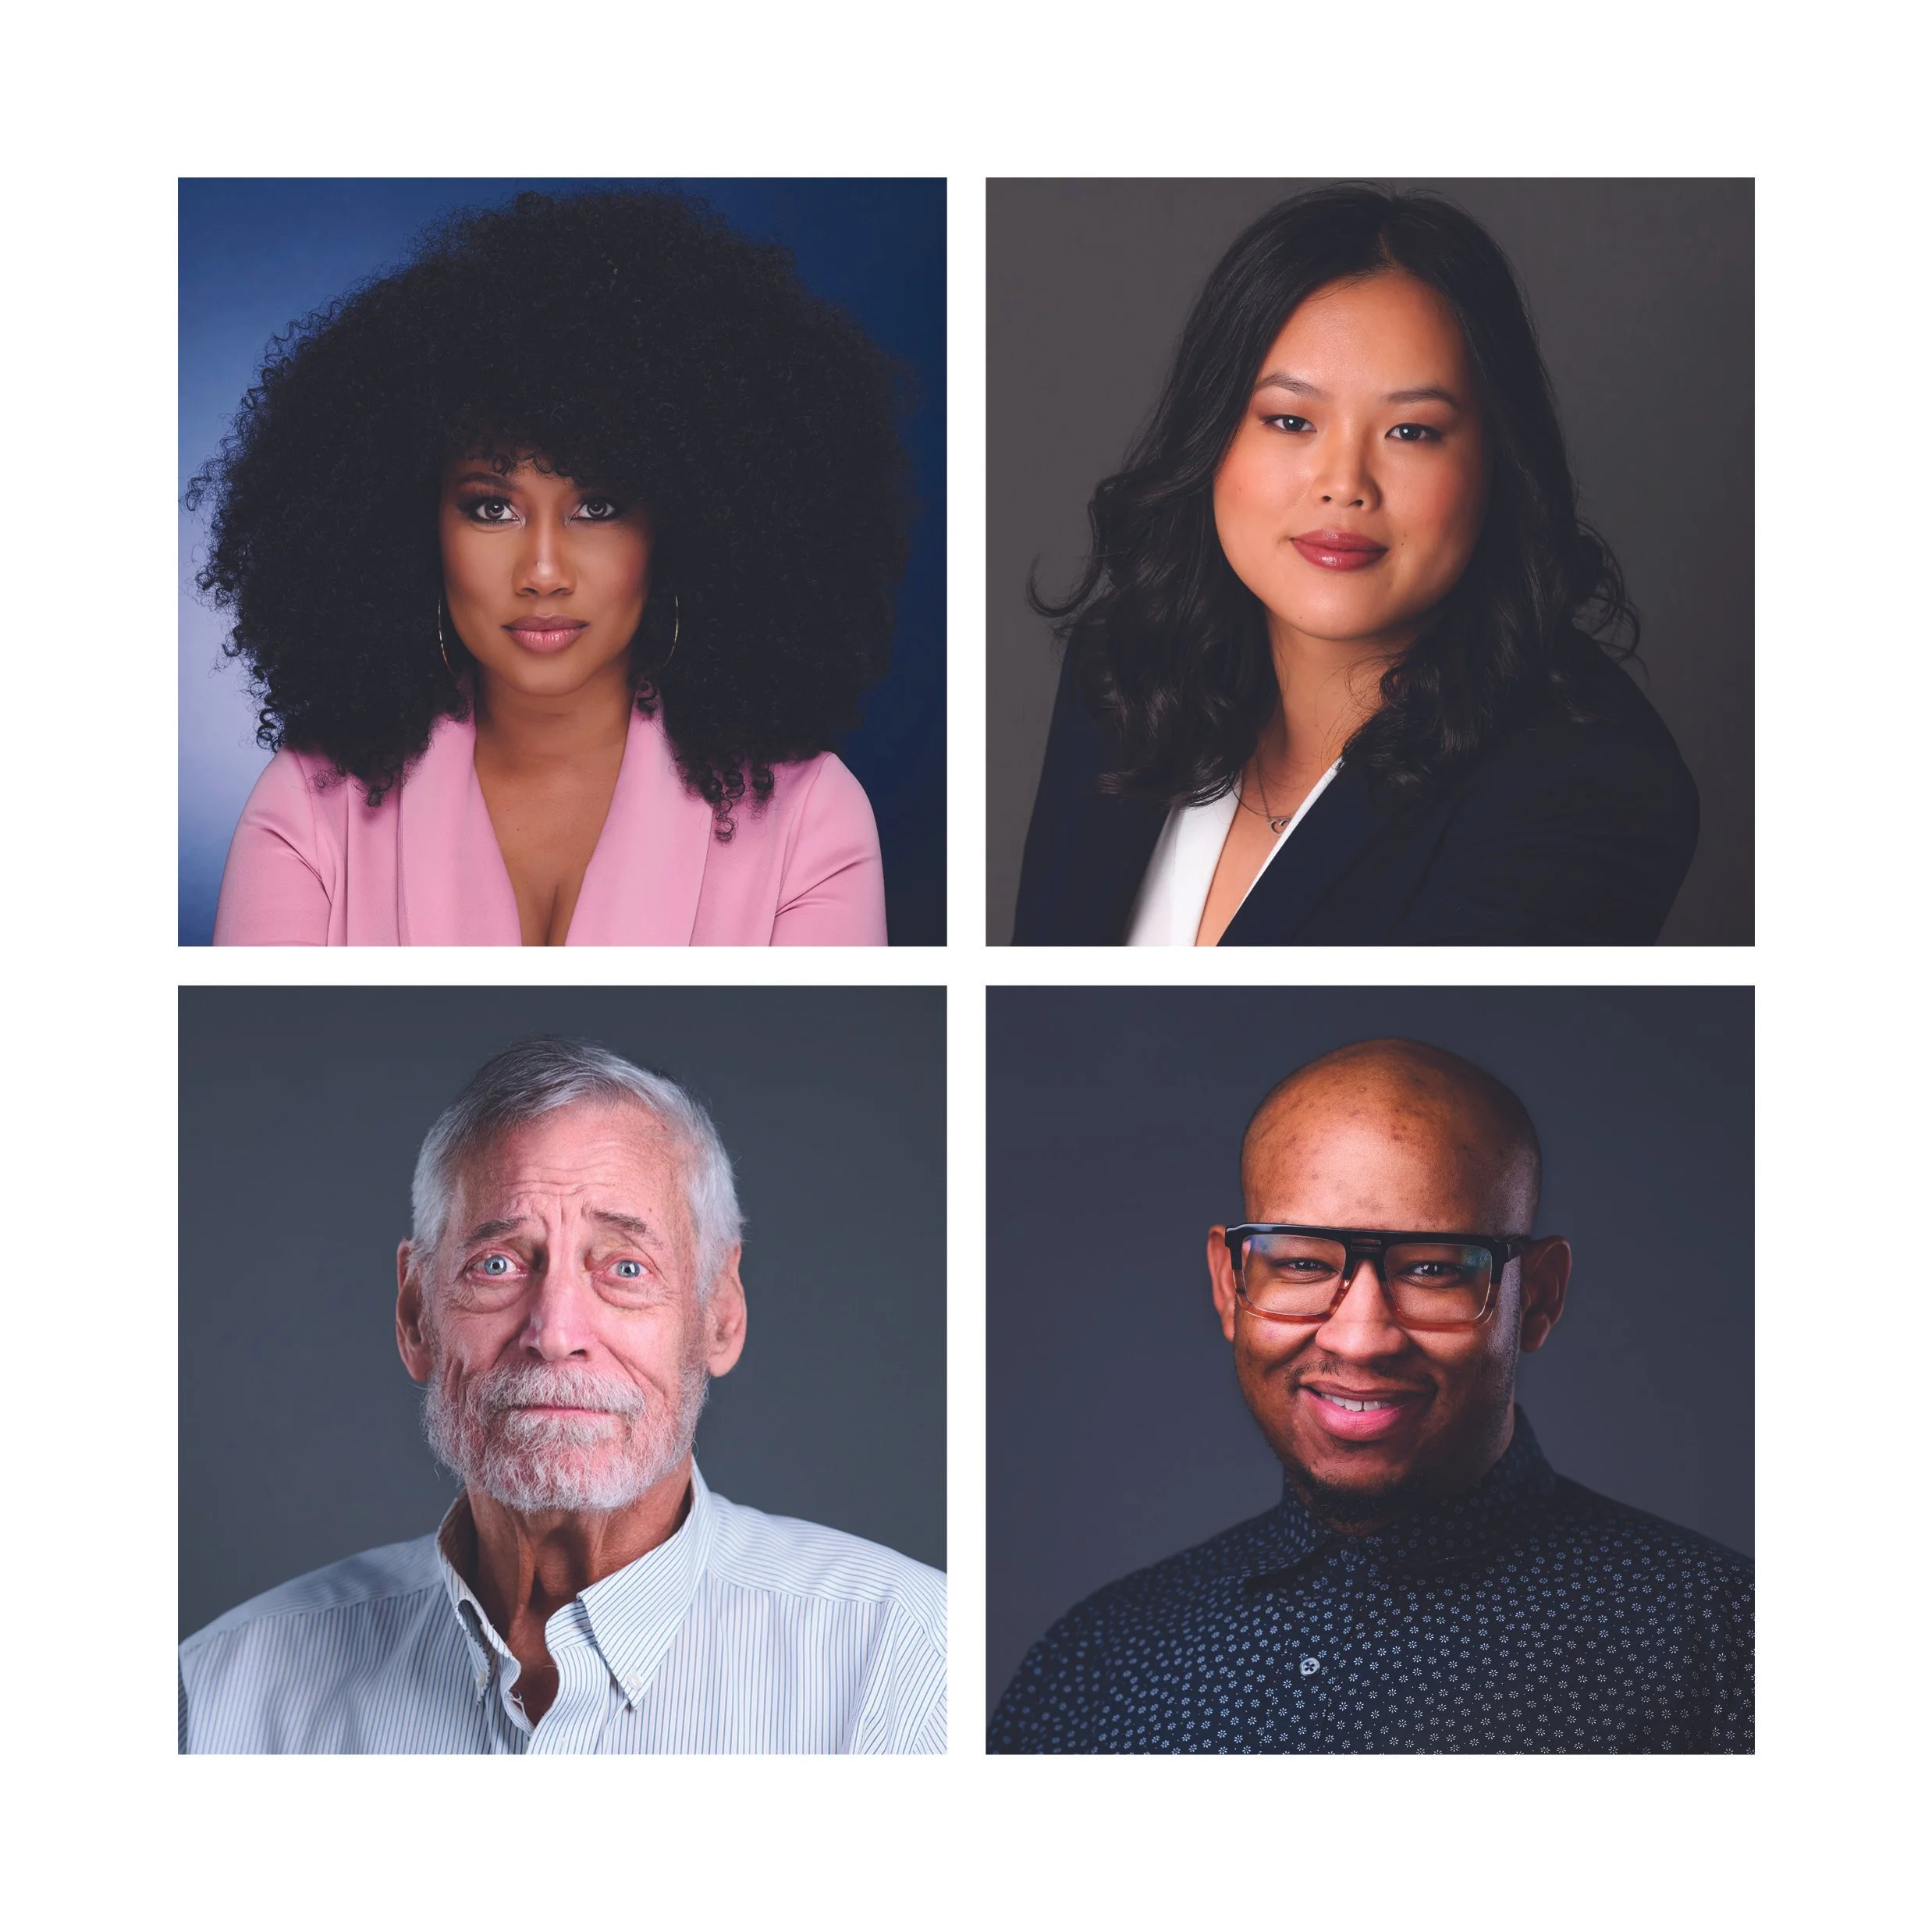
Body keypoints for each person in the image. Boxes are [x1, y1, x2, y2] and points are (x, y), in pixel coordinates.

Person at [179, 1036, 945, 1753]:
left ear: (720, 1313)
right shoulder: (217, 1695)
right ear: (415, 1314)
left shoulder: (907, 1664)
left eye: (625, 1268)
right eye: (499, 1266)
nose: (554, 1331)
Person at [989, 1038, 1751, 1753]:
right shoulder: (1091, 1660)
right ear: (1230, 1285)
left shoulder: (1724, 1644)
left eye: (1433, 1268)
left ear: (1540, 1297)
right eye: (1302, 1263)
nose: (1360, 1338)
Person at [191, 188, 907, 946]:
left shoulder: (811, 818)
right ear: (409, 523)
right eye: (490, 507)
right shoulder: (310, 807)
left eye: (596, 508)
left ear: (684, 527)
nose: (541, 571)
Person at [1012, 185, 1699, 945]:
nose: (1345, 482)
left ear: (1496, 465)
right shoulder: (1123, 666)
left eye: (1410, 431)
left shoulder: (1586, 788)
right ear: (1210, 439)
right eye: (1289, 420)